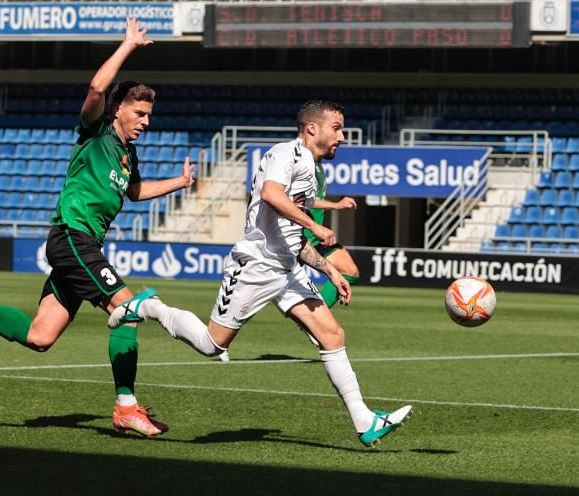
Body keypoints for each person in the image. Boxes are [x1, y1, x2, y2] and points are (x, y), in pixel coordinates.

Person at [0, 18, 196, 437]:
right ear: (119, 109)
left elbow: (134, 191)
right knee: (127, 313)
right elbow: (97, 89)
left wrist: (179, 182)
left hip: (83, 246)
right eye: (139, 113)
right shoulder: (96, 130)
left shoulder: (125, 155)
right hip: (72, 238)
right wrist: (128, 45)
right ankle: (126, 408)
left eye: (149, 116)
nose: (146, 121)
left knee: (40, 337)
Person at [108, 100, 413, 448]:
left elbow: (293, 236)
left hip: (286, 269)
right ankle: (151, 307)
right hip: (254, 266)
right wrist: (315, 224)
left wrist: (330, 268)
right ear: (312, 128)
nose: (341, 136)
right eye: (337, 128)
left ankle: (364, 421)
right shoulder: (286, 154)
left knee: (332, 336)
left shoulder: (310, 170)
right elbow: (270, 194)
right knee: (212, 345)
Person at [303, 160, 361, 309]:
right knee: (260, 288)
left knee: (350, 271)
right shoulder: (303, 163)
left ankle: (315, 319)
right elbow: (299, 200)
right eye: (336, 134)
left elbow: (313, 199)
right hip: (299, 236)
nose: (340, 138)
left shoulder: (318, 165)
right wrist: (336, 205)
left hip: (315, 238)